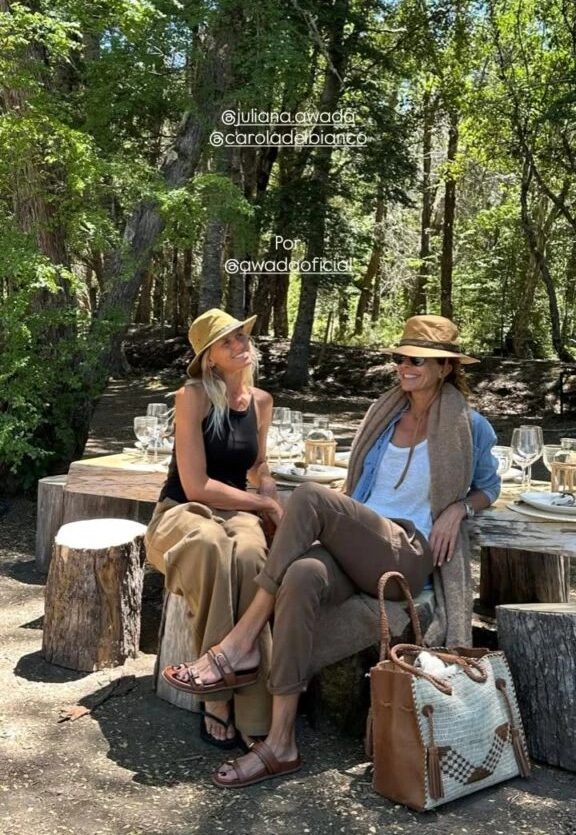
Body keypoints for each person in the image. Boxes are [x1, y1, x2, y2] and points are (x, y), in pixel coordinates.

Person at [171, 314, 500, 788]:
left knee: (307, 495)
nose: (405, 367)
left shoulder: (470, 426)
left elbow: (489, 487)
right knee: (302, 574)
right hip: (365, 545)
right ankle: (281, 741)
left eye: (419, 360)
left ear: (445, 368)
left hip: (409, 551)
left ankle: (240, 641)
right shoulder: (385, 415)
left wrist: (458, 511)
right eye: (401, 357)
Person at [144, 308, 283, 750]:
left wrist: (272, 497)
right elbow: (195, 486)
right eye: (228, 342)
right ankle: (220, 699)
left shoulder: (261, 402)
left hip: (236, 512)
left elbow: (258, 466)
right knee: (209, 547)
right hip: (181, 512)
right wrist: (261, 501)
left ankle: (251, 708)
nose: (242, 345)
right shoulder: (193, 395)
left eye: (242, 336)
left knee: (249, 555)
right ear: (209, 359)